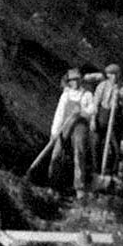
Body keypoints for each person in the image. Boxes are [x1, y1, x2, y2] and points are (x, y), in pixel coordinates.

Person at [49, 68, 96, 196]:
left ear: (80, 80)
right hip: (65, 125)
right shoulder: (65, 95)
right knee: (56, 154)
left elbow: (92, 110)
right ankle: (53, 185)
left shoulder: (87, 95)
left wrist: (81, 112)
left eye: (76, 79)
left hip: (79, 126)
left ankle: (79, 187)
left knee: (79, 151)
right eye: (72, 80)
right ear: (68, 82)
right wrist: (54, 132)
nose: (74, 82)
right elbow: (59, 114)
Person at [92, 63, 123, 175]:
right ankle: (97, 170)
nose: (114, 77)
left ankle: (113, 172)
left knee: (115, 146)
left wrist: (120, 98)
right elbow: (95, 104)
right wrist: (93, 119)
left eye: (116, 74)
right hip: (102, 115)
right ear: (107, 75)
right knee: (96, 144)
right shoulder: (102, 86)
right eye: (111, 74)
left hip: (116, 118)